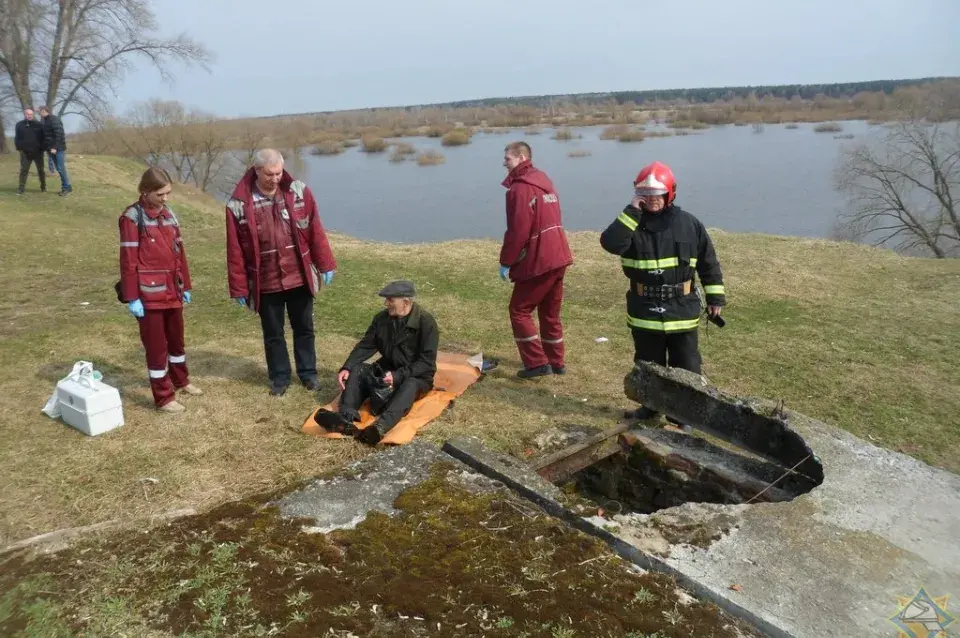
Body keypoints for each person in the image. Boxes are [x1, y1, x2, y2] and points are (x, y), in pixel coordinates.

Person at [599, 161, 726, 425]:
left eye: (656, 195)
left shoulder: (690, 224)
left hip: (682, 308)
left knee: (686, 366)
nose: (651, 200)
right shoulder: (630, 222)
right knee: (647, 363)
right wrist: (631, 211)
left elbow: (708, 262)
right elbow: (610, 243)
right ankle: (649, 408)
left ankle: (683, 416)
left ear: (669, 194)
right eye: (645, 195)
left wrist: (715, 298)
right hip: (644, 308)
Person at [225, 148, 337, 396]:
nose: (275, 178)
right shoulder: (238, 204)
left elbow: (315, 230)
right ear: (256, 171)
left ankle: (308, 374)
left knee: (304, 329)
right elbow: (234, 250)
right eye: (269, 174)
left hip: (298, 276)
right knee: (273, 334)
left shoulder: (299, 192)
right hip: (266, 281)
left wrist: (326, 264)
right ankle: (280, 378)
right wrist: (239, 287)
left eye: (278, 173)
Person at [118, 167, 201, 413]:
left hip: (172, 291)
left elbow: (179, 252)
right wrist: (133, 297)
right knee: (157, 347)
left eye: (168, 193)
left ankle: (181, 380)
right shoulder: (132, 218)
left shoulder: (169, 216)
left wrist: (185, 284)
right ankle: (164, 396)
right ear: (145, 192)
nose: (165, 198)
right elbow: (128, 260)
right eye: (160, 194)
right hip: (149, 294)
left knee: (176, 340)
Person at [322, 280, 439, 445]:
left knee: (410, 385)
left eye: (390, 300)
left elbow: (427, 363)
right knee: (358, 370)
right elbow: (366, 345)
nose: (386, 303)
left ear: (406, 302)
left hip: (416, 375)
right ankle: (345, 418)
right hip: (388, 368)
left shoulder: (426, 323)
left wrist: (398, 376)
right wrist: (347, 366)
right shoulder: (381, 319)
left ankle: (379, 428)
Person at [499, 141, 574, 379]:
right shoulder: (543, 180)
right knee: (550, 313)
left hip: (540, 259)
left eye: (508, 159)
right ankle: (556, 361)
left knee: (519, 310)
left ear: (521, 158)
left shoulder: (520, 189)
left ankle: (536, 363)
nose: (504, 163)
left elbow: (518, 230)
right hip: (559, 255)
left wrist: (507, 261)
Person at [37, 106, 72, 196]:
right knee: (59, 168)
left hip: (58, 149)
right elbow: (46, 136)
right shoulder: (44, 120)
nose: (38, 113)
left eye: (39, 112)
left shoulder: (54, 120)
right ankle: (68, 186)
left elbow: (59, 134)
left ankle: (66, 188)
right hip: (50, 149)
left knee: (60, 168)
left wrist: (55, 147)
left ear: (44, 111)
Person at [14, 108, 46, 194]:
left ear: (33, 115)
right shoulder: (19, 125)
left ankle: (43, 186)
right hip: (25, 152)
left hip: (38, 152)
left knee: (41, 170)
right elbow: (17, 138)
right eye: (27, 114)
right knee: (24, 170)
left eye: (31, 114)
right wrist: (19, 148)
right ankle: (21, 188)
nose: (29, 115)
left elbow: (44, 138)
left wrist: (42, 148)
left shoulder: (39, 125)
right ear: (25, 114)